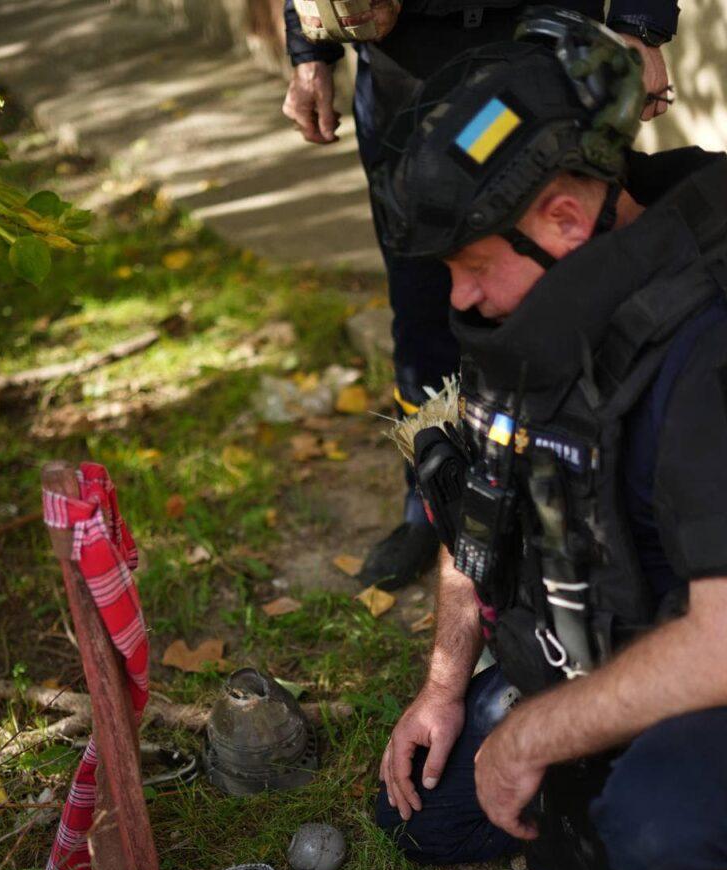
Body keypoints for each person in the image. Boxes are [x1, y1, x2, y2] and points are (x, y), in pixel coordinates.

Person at [370, 13, 727, 870]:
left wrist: (528, 735)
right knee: (423, 813)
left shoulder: (704, 344)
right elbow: (482, 494)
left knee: (662, 824)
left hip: (709, 648)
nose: (458, 295)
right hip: (627, 638)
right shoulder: (540, 308)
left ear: (566, 217)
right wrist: (445, 688)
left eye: (467, 262)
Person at [281, 0, 678, 591]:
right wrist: (310, 50)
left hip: (543, 48)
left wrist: (639, 26)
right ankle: (434, 508)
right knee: (426, 304)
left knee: (583, 282)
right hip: (404, 63)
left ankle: (616, 506)